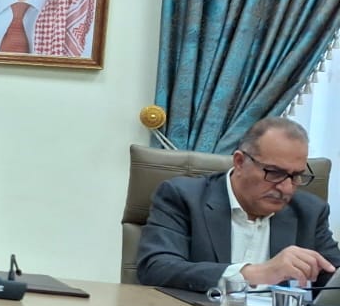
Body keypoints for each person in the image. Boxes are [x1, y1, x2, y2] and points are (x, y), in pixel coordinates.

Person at [136, 117, 340, 293]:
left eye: (296, 176)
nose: (286, 188)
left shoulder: (310, 212)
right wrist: (256, 273)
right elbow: (156, 268)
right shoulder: (184, 197)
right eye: (275, 173)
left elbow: (334, 282)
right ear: (240, 162)